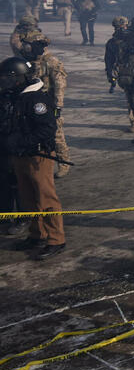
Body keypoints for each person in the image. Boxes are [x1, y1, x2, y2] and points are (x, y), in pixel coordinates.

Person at [0, 57, 66, 259]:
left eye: (7, 77)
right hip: (20, 155)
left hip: (38, 155)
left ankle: (56, 239)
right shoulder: (11, 97)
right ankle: (37, 234)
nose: (3, 81)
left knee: (45, 197)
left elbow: (47, 129)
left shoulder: (36, 99)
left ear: (18, 78)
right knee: (28, 197)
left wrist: (20, 140)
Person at [19, 31, 72, 178]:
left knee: (56, 134)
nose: (25, 49)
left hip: (47, 104)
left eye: (28, 46)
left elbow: (60, 85)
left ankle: (64, 163)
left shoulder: (51, 61)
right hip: (30, 105)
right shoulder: (27, 62)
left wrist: (58, 106)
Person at [105, 16, 130, 101]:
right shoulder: (112, 42)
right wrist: (110, 73)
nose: (120, 30)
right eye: (117, 28)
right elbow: (109, 60)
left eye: (122, 27)